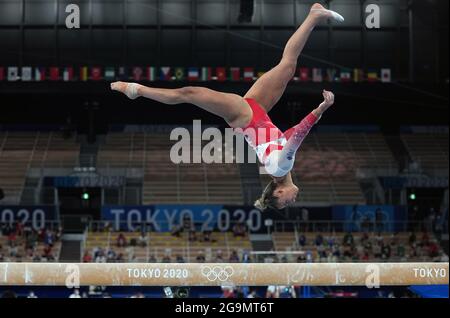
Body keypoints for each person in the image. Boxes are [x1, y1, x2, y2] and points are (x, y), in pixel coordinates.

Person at [111, 3, 343, 211]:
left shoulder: (281, 168)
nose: (292, 202)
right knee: (288, 66)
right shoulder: (280, 169)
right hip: (258, 111)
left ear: (278, 191)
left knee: (189, 94)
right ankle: (313, 15)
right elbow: (290, 135)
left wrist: (320, 109)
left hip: (244, 116)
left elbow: (296, 137)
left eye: (285, 203)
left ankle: (137, 90)